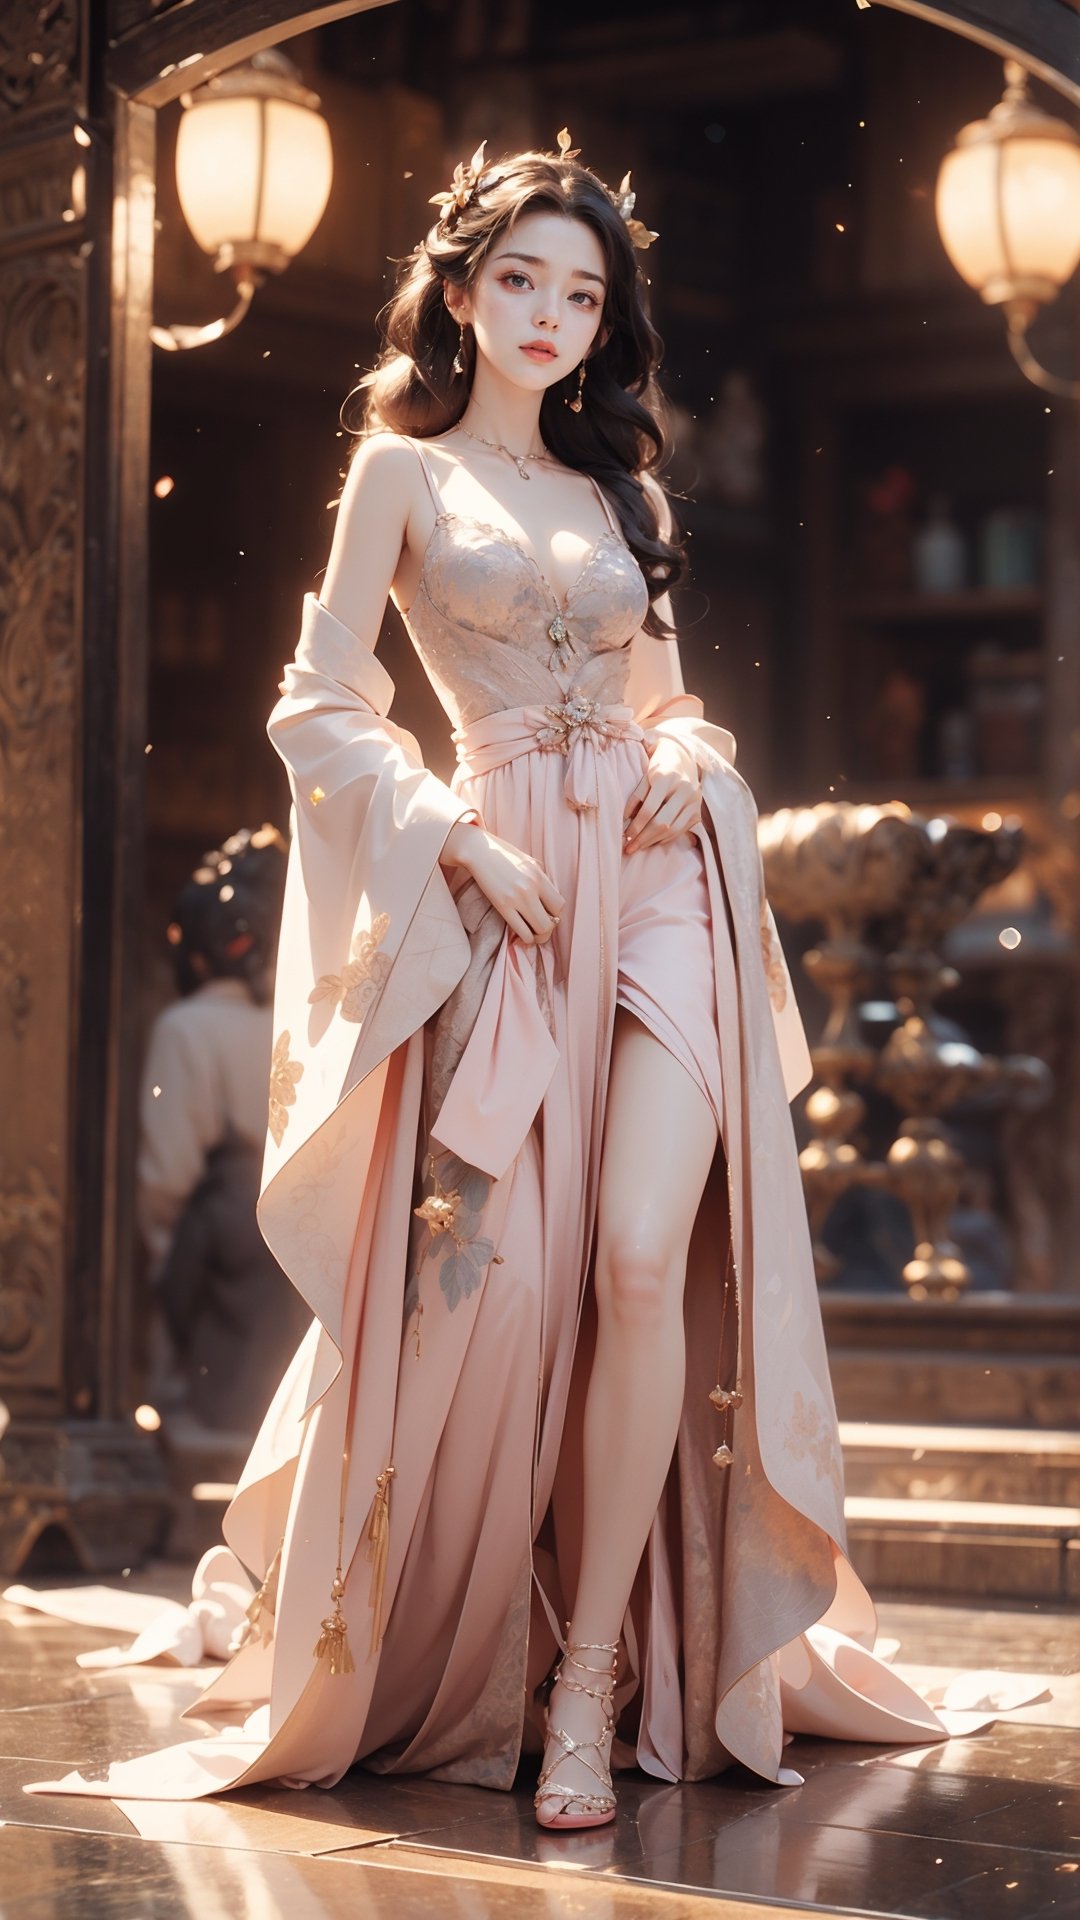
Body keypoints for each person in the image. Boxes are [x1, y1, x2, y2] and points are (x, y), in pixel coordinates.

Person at [30, 128, 988, 1832]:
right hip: (509, 894)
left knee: (639, 1257)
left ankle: (594, 1683)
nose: (552, 314)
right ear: (461, 294)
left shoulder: (631, 493)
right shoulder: (399, 476)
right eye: (521, 280)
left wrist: (696, 755)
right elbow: (315, 701)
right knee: (508, 1288)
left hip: (659, 882)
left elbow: (671, 701)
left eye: (584, 291)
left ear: (605, 321)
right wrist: (446, 838)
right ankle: (479, 1645)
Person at [138, 826, 311, 1433]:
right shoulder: (309, 1023)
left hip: (220, 1269)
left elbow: (167, 1181)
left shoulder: (187, 1027)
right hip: (304, 1253)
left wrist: (168, 1291)